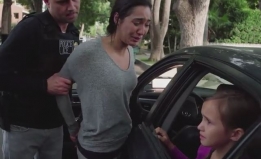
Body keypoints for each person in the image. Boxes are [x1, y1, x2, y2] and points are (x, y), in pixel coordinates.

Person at [55, 0, 152, 158]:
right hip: (94, 149)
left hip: (124, 141)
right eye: (137, 22)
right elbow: (59, 88)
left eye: (147, 24)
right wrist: (72, 127)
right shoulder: (88, 53)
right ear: (117, 19)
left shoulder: (130, 51)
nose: (142, 30)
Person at [0, 0, 80, 159]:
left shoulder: (72, 31)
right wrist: (43, 85)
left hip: (55, 126)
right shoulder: (29, 28)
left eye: (75, 0)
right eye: (62, 2)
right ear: (47, 2)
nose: (71, 7)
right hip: (22, 126)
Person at [155, 84, 261, 159]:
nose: (199, 127)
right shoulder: (205, 148)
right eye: (202, 118)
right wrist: (170, 146)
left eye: (209, 122)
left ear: (235, 134)